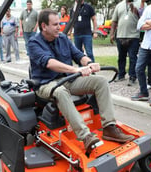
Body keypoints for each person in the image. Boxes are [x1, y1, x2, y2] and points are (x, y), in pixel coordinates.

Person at [28, 9, 134, 154]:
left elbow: (78, 55)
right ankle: (86, 136)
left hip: (67, 79)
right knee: (61, 92)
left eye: (59, 24)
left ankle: (109, 127)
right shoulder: (34, 43)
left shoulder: (63, 38)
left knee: (100, 82)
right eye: (55, 24)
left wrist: (89, 63)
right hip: (46, 84)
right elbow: (49, 62)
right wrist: (76, 70)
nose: (59, 27)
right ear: (43, 26)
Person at [110, 0, 145, 86]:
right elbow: (114, 21)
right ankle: (121, 75)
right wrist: (111, 34)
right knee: (121, 57)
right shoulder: (119, 5)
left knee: (133, 57)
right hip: (120, 35)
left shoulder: (140, 3)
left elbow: (144, 18)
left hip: (133, 36)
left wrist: (137, 12)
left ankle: (132, 77)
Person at [131, 1, 151, 107]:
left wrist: (147, 22)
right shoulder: (149, 8)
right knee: (139, 68)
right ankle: (144, 93)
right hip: (146, 45)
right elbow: (139, 25)